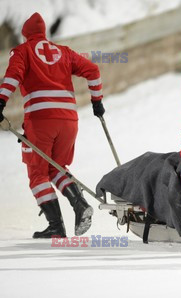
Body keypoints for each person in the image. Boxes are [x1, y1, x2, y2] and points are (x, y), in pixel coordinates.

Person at [0, 13, 104, 238]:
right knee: (56, 167)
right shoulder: (64, 52)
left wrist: (0, 101)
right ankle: (79, 203)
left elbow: (12, 77)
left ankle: (56, 227)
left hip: (41, 121)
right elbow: (93, 71)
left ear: (25, 34)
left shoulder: (23, 51)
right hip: (69, 121)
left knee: (38, 174)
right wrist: (97, 102)